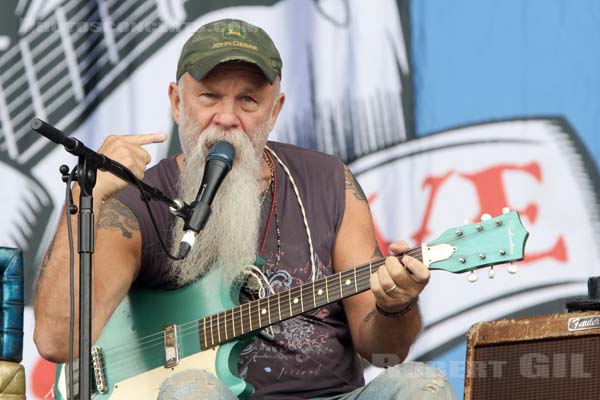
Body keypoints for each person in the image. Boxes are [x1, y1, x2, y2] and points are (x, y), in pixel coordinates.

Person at [33, 18, 455, 400]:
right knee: (189, 391)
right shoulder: (137, 199)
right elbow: (57, 340)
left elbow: (384, 353)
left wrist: (396, 305)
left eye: (249, 101)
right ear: (177, 102)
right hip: (207, 393)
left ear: (276, 109)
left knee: (420, 385)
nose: (227, 117)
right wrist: (82, 198)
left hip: (332, 396)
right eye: (208, 96)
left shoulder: (330, 182)